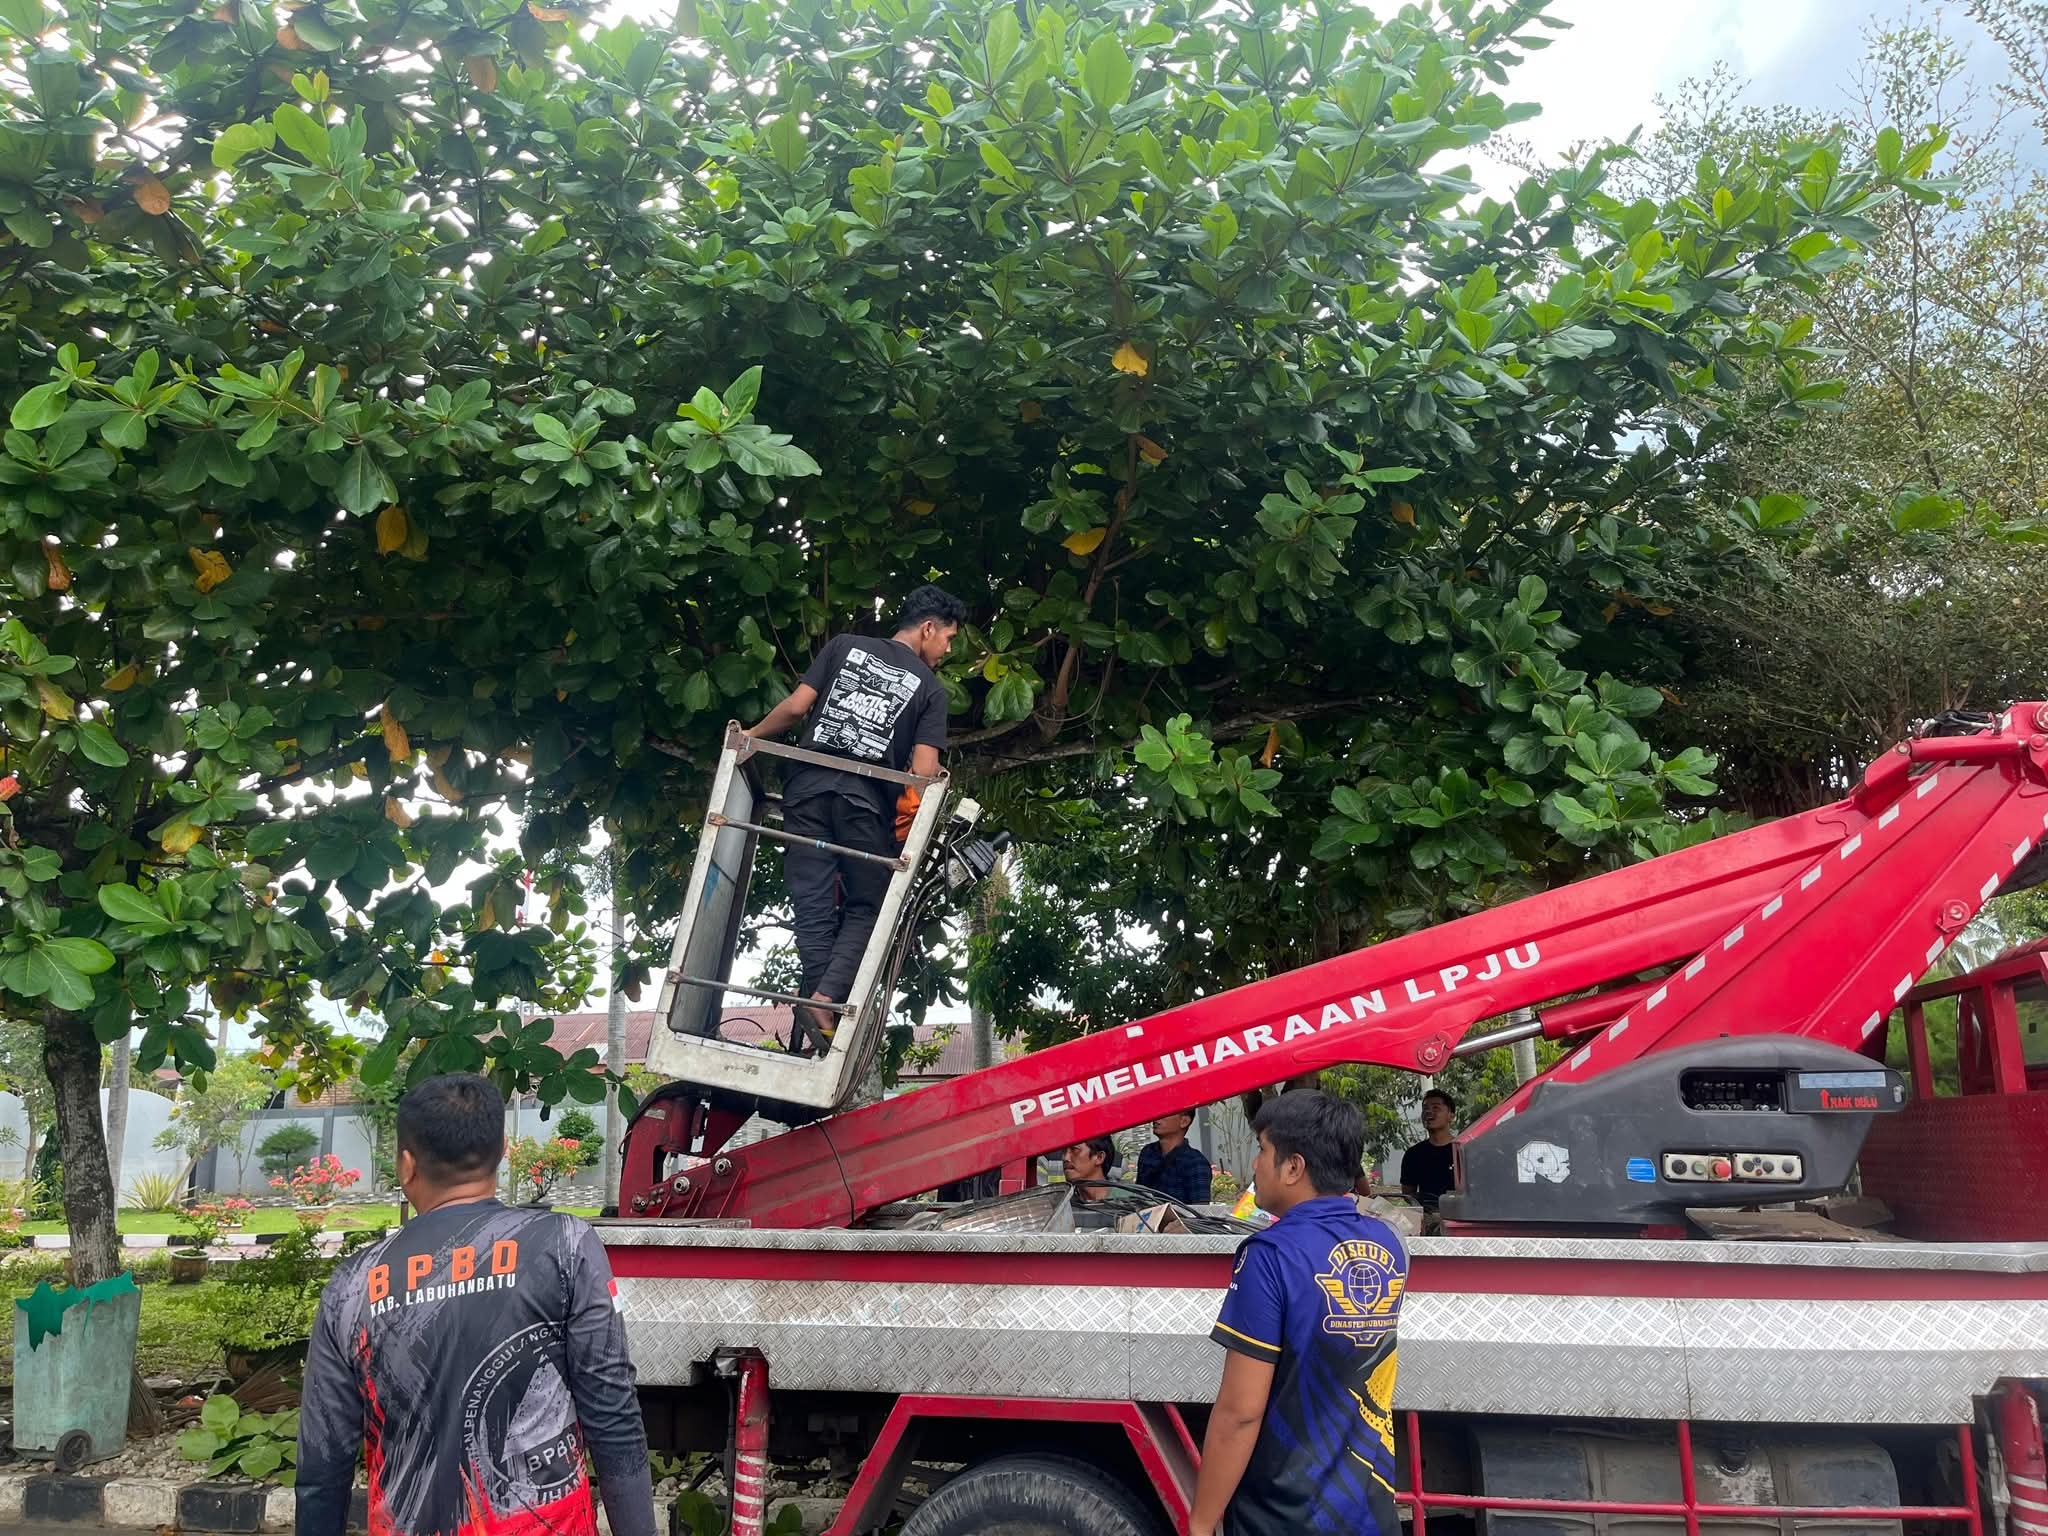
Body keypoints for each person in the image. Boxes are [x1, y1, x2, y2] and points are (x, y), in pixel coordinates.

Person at [296, 1075, 657, 1536]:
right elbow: (613, 1416)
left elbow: (323, 1466)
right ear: (503, 1150)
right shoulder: (566, 1246)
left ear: (406, 1165)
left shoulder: (351, 1286)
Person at [745, 585, 964, 1049]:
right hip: (864, 806)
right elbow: (923, 774)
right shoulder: (930, 689)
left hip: (804, 793)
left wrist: (749, 736)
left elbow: (796, 708)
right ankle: (824, 999)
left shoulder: (843, 646)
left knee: (814, 908)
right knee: (871, 904)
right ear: (928, 629)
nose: (946, 651)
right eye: (947, 638)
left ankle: (818, 1007)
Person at [1188, 1091, 1408, 1536]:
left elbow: (1241, 1412)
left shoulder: (1270, 1255)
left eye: (1262, 1151)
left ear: (1293, 1167)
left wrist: (1201, 1521)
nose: (1254, 1165)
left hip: (1283, 1514)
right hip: (1369, 1507)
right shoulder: (1391, 1244)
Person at [1136, 1109, 1214, 1206]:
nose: (1156, 1118)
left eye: (1165, 1113)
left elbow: (1200, 1210)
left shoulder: (1196, 1162)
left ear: (1184, 1121)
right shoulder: (1148, 1152)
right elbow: (1138, 1194)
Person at [1399, 1088, 1458, 1215]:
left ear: (1451, 1116)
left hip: (1460, 1219)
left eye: (1436, 1108)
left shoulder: (1463, 1151)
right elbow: (1409, 1196)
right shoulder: (1413, 1155)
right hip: (1427, 1219)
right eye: (1425, 1108)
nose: (1429, 1112)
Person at [1062, 1135, 1118, 1202]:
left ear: (1099, 1157)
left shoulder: (1129, 1201)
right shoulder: (1062, 1203)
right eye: (1064, 1151)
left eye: (1074, 1149)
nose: (1065, 1158)